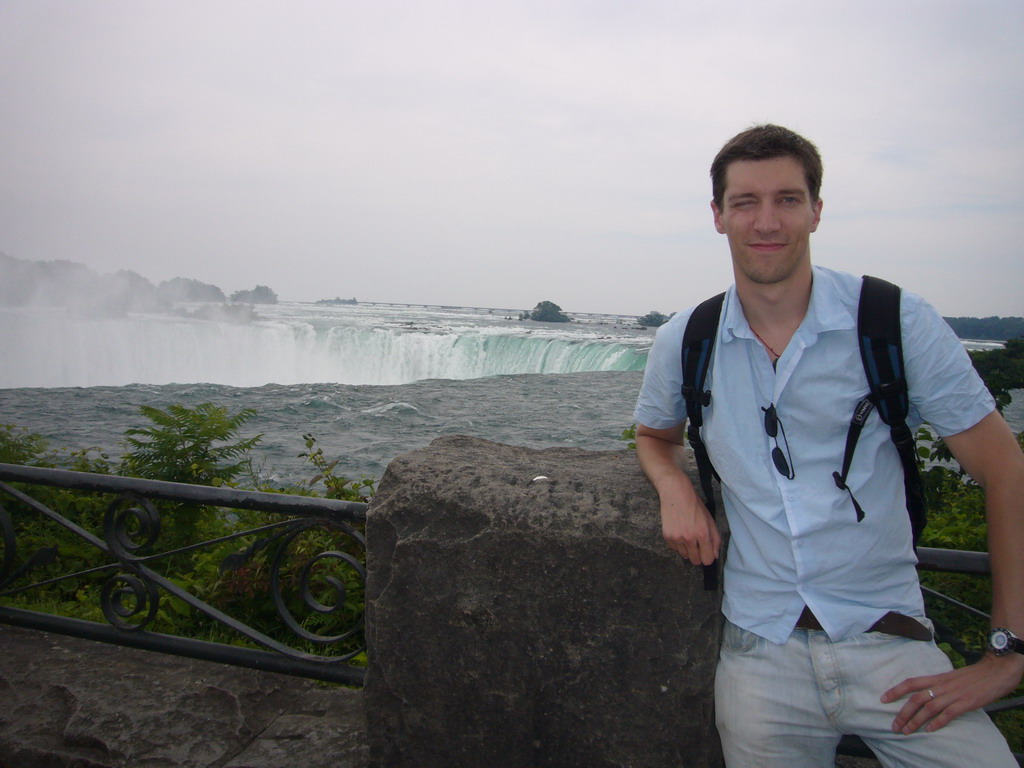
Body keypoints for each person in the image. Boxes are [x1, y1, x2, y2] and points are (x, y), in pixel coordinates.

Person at [633, 124, 1024, 767]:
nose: (767, 221)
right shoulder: (686, 340)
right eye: (745, 202)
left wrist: (1005, 655)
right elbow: (654, 435)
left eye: (787, 199)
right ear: (717, 216)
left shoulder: (894, 322)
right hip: (760, 657)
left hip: (892, 647)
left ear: (817, 210)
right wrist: (674, 485)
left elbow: (1006, 472)